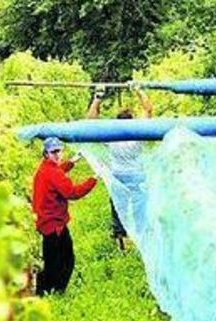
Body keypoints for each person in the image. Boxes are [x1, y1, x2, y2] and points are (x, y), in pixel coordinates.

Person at [87, 85, 152, 250]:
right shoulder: (138, 134)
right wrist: (139, 90)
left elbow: (91, 122)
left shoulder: (112, 136)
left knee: (118, 207)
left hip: (118, 176)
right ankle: (140, 239)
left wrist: (98, 97)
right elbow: (149, 110)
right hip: (137, 176)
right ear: (132, 121)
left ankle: (120, 240)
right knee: (139, 208)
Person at [32, 137, 97, 295]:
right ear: (46, 153)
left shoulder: (44, 169)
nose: (57, 155)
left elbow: (58, 171)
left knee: (52, 259)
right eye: (53, 152)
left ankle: (44, 291)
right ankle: (55, 292)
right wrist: (93, 180)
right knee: (65, 261)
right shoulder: (53, 173)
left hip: (45, 222)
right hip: (55, 224)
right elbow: (72, 193)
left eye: (59, 151)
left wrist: (72, 162)